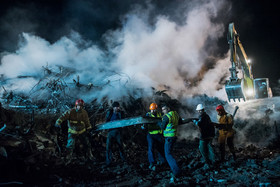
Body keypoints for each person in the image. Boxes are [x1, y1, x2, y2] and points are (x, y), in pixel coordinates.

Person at [158, 104, 182, 183]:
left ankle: (176, 171)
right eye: (162, 110)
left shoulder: (166, 117)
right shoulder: (175, 114)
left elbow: (162, 127)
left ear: (168, 108)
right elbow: (180, 121)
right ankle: (174, 168)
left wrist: (158, 122)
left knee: (168, 154)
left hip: (168, 137)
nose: (163, 111)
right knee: (170, 153)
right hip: (174, 136)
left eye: (164, 109)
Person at [144, 103, 165, 171]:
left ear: (156, 109)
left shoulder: (160, 114)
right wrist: (144, 126)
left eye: (154, 110)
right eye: (151, 110)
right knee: (151, 149)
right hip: (151, 134)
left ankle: (163, 162)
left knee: (160, 149)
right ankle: (152, 163)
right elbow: (145, 123)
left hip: (159, 134)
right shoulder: (148, 115)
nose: (152, 111)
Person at [193, 104, 215, 169]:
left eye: (200, 110)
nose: (199, 112)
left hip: (205, 136)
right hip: (210, 135)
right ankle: (213, 161)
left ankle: (207, 161)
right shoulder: (207, 116)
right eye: (199, 111)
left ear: (202, 110)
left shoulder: (202, 117)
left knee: (202, 148)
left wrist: (194, 121)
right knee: (210, 147)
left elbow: (200, 124)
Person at [105, 101, 126, 166]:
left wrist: (123, 125)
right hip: (111, 132)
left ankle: (124, 160)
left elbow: (124, 121)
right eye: (116, 107)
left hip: (118, 132)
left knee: (121, 146)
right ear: (113, 107)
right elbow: (106, 121)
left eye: (118, 107)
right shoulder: (110, 113)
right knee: (108, 147)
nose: (118, 108)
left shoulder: (121, 113)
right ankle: (108, 161)